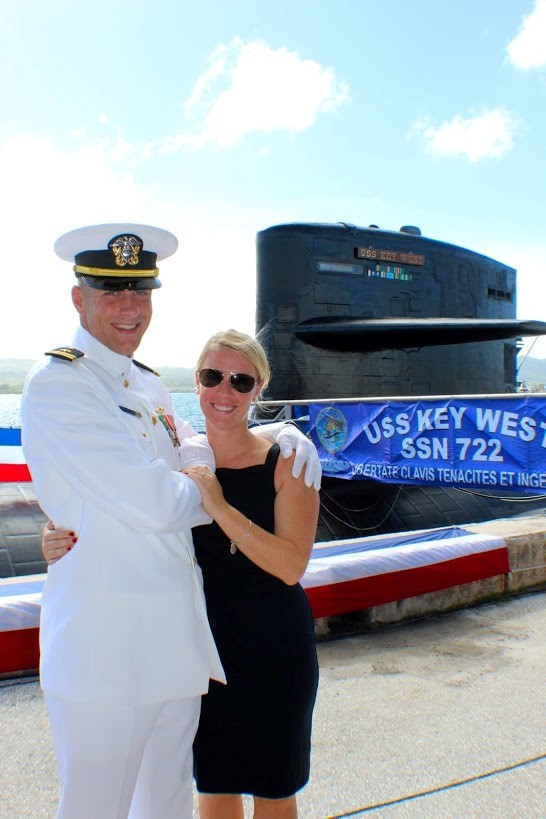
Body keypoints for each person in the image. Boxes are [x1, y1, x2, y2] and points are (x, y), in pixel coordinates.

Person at [23, 223, 321, 819]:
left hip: (180, 653)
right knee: (94, 808)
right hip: (108, 652)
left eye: (141, 291)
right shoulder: (60, 386)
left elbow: (197, 457)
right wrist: (203, 492)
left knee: (166, 808)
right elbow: (163, 502)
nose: (129, 308)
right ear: (78, 298)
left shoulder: (151, 385)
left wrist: (280, 433)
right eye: (110, 291)